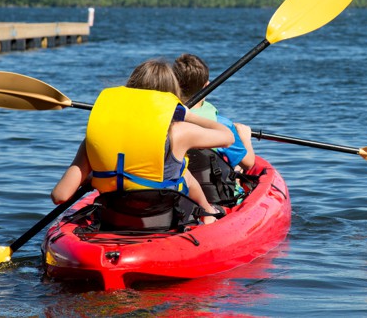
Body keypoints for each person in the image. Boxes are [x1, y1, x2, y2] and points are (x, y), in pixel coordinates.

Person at [50, 58, 233, 225]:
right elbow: (227, 137)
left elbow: (60, 195)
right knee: (182, 172)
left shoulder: (96, 138)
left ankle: (207, 211)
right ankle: (208, 212)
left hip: (113, 220)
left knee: (183, 172)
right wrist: (188, 115)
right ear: (172, 95)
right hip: (165, 221)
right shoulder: (179, 132)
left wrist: (92, 178)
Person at [173, 53, 255, 171]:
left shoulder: (164, 117)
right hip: (209, 184)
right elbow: (248, 163)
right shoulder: (222, 125)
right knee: (238, 169)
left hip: (176, 183)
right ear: (207, 85)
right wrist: (245, 137)